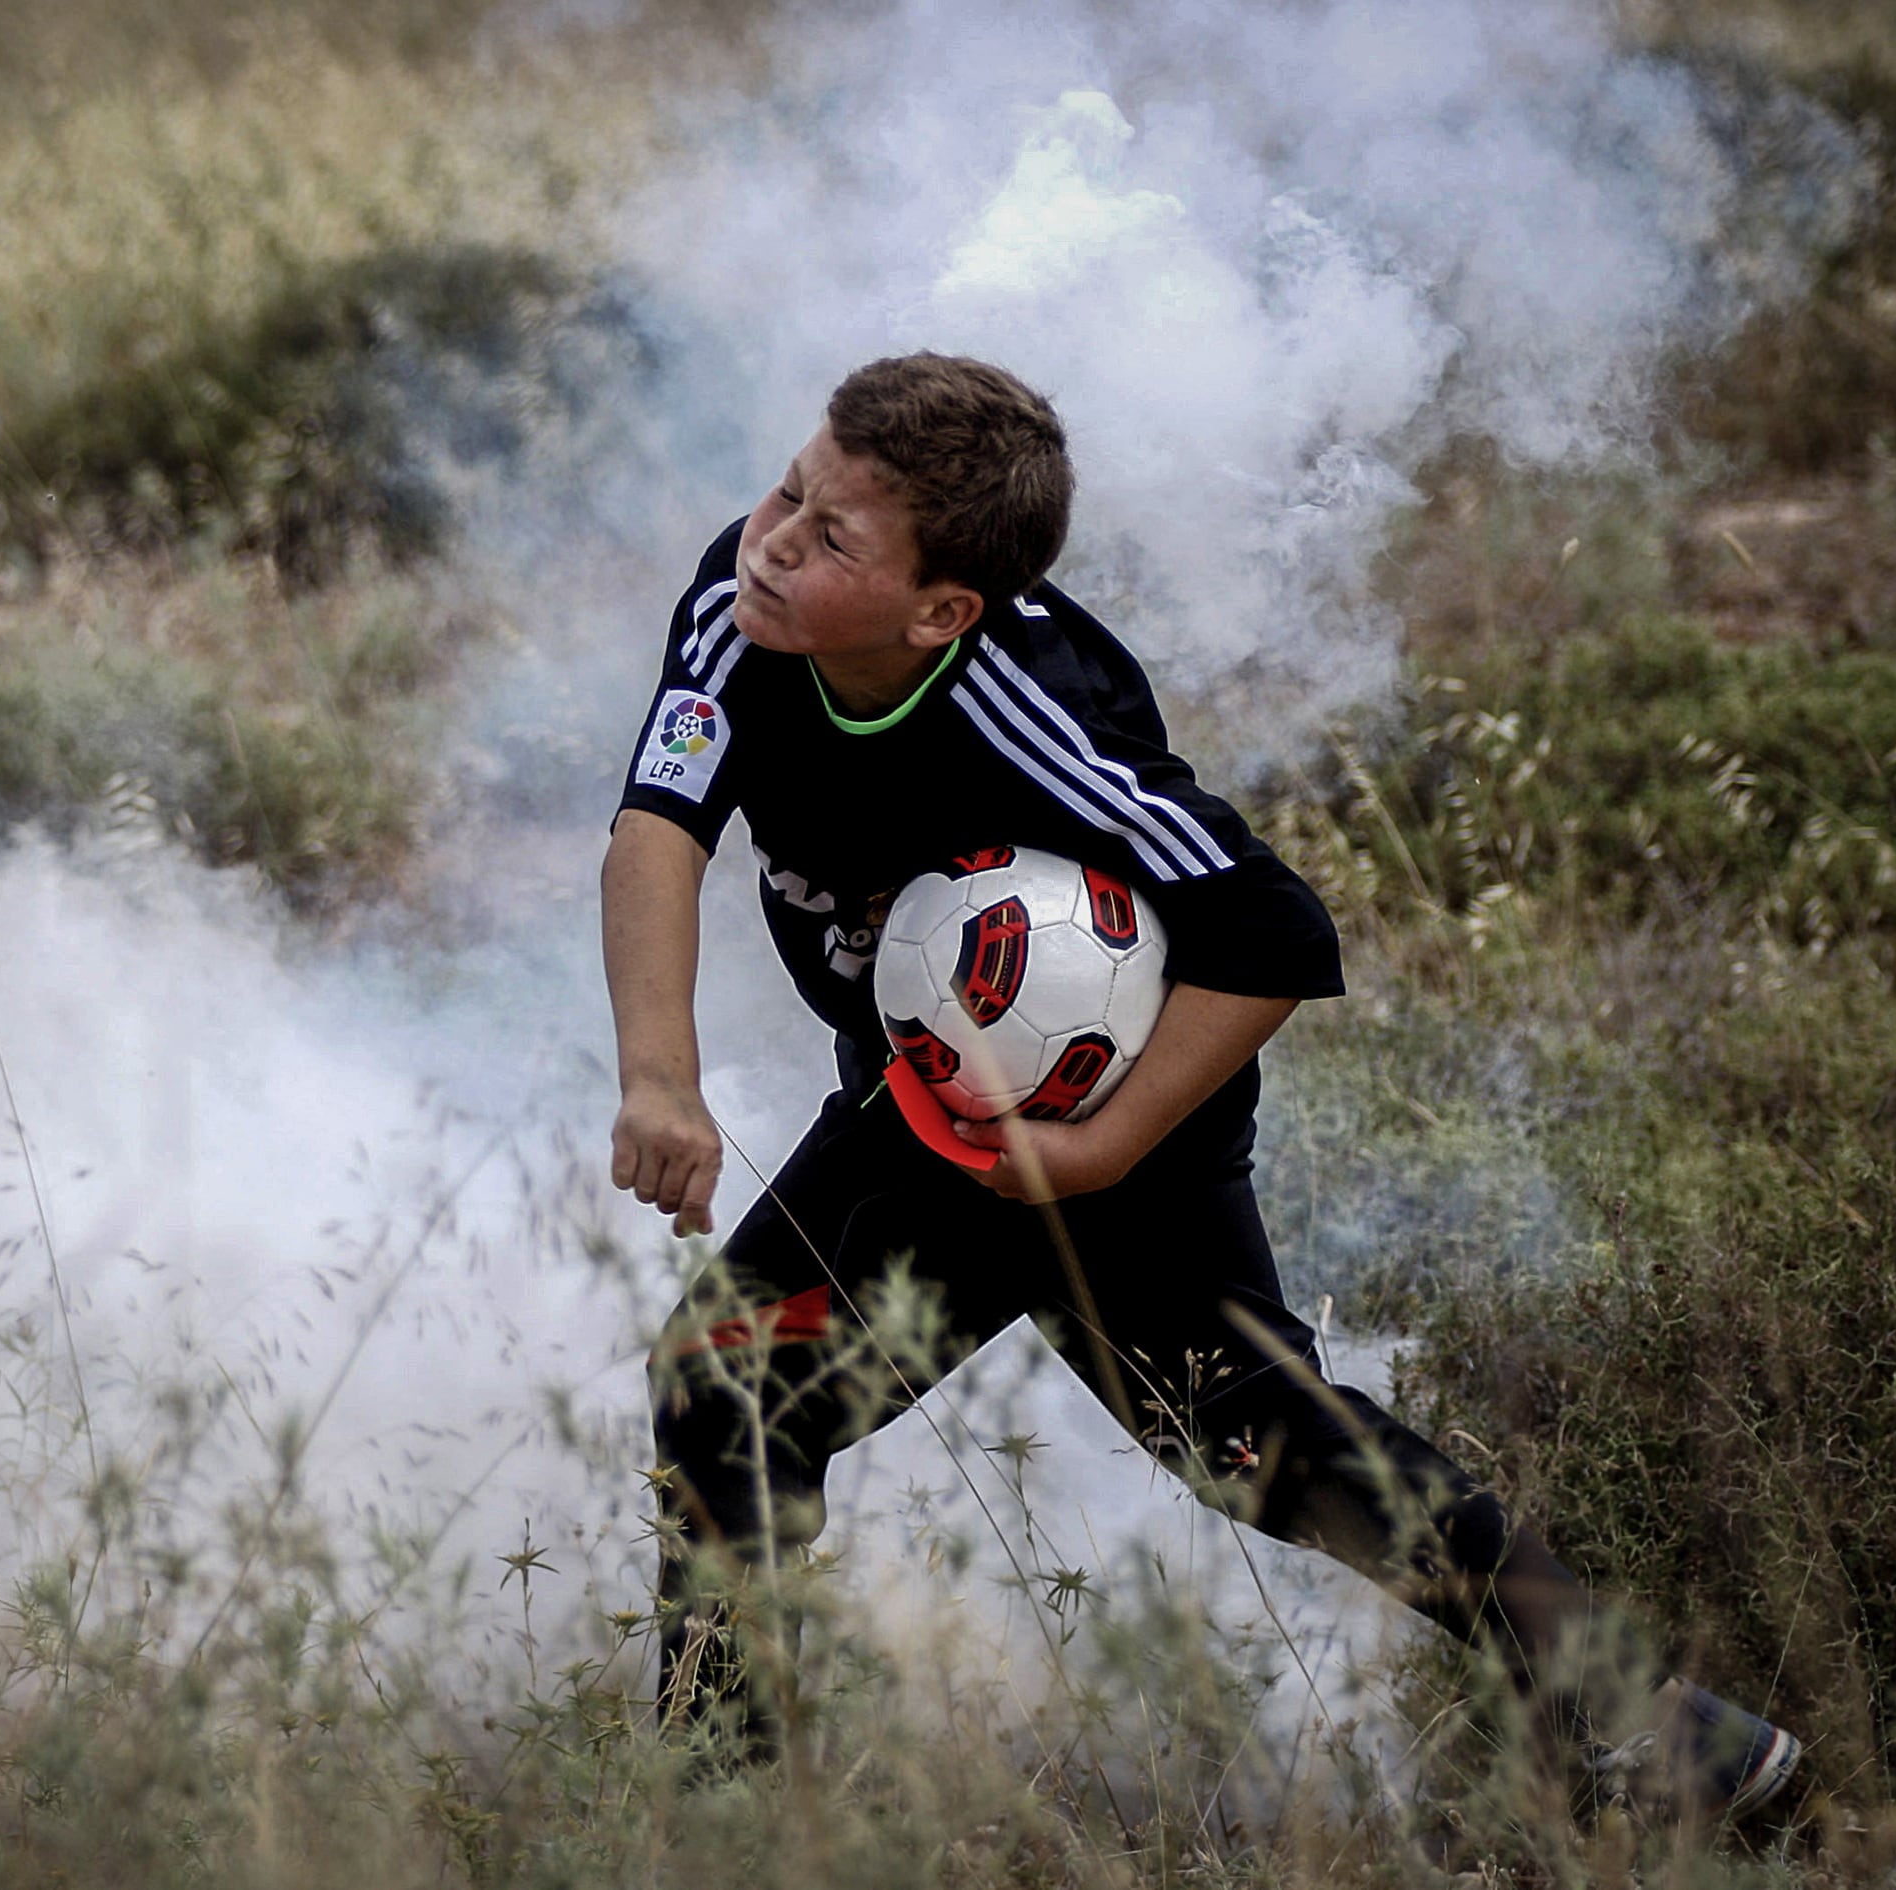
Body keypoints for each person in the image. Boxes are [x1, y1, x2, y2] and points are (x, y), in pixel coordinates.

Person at [599, 351, 1799, 1818]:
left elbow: (1275, 932)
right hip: (928, 1111)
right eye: (789, 487)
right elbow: (660, 824)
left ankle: (721, 1812)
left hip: (1128, 1111)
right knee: (754, 1389)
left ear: (940, 611)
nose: (776, 537)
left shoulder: (1032, 716)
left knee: (1233, 1434)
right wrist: (662, 1080)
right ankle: (726, 1798)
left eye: (830, 534)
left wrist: (1101, 1149)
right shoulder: (744, 606)